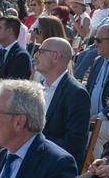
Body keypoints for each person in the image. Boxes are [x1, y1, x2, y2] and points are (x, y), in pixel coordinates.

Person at [36, 36, 90, 168]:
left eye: (41, 51)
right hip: (32, 157)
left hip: (54, 165)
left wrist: (33, 144)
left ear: (56, 56)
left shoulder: (76, 93)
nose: (36, 55)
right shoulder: (39, 87)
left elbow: (74, 144)